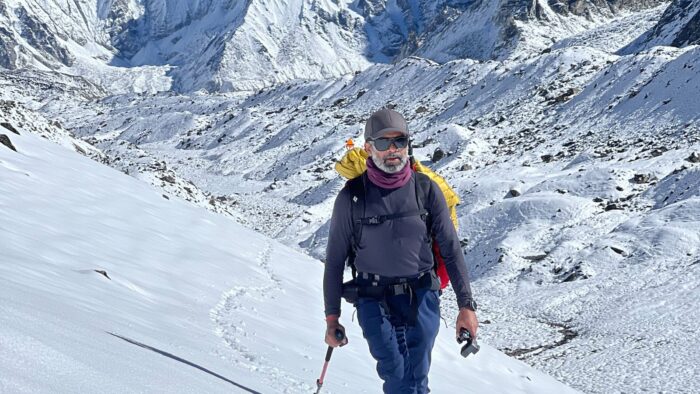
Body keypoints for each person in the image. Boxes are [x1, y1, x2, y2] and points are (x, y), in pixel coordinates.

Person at [323, 108, 478, 393]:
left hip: (422, 297)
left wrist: (466, 306)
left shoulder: (426, 190)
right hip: (373, 299)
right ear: (368, 148)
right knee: (397, 375)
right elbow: (334, 261)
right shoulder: (352, 197)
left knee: (416, 380)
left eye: (400, 141)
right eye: (383, 143)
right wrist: (332, 318)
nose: (392, 150)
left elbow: (450, 249)